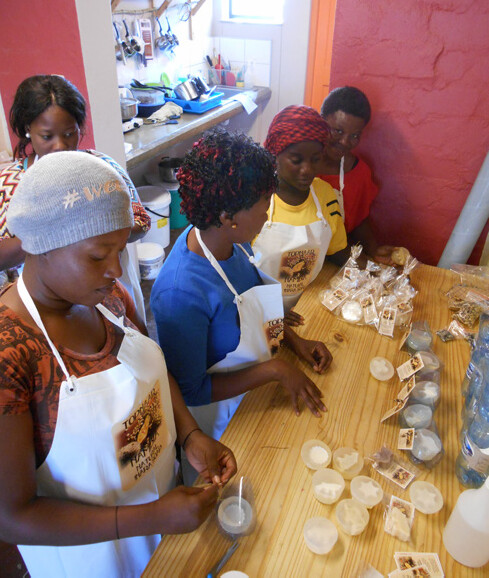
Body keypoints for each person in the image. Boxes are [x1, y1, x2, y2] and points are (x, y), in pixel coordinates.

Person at [0, 151, 236, 578]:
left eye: (121, 250)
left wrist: (190, 434)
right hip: (94, 560)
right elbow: (13, 516)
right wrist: (150, 518)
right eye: (97, 255)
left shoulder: (104, 298)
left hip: (166, 531)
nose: (115, 270)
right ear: (42, 246)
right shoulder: (10, 352)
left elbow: (152, 370)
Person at [150, 131, 331, 479]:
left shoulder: (234, 242)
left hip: (256, 396)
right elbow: (191, 390)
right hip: (218, 429)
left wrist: (293, 341)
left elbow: (252, 303)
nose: (269, 211)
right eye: (264, 202)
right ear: (228, 215)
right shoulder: (180, 295)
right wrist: (275, 371)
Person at [0, 74, 150, 318]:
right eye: (47, 136)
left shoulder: (104, 169)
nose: (59, 145)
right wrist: (52, 233)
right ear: (29, 129)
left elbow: (142, 222)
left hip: (107, 297)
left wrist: (102, 232)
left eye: (69, 134)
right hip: (40, 313)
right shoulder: (10, 186)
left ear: (79, 127)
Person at [252, 105, 348, 323]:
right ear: (275, 154)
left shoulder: (325, 196)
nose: (307, 170)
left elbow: (338, 251)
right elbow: (233, 275)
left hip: (310, 307)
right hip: (257, 313)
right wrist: (272, 316)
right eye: (296, 160)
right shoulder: (255, 201)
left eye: (315, 159)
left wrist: (370, 274)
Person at [318, 86, 395, 262]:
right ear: (321, 121)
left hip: (341, 258)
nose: (345, 142)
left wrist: (373, 249)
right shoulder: (299, 167)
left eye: (354, 135)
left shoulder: (358, 173)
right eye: (337, 131)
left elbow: (359, 219)